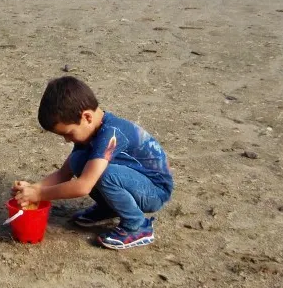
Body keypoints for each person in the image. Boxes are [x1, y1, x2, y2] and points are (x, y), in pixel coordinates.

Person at [13, 76, 173, 249]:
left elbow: (83, 186)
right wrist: (33, 188)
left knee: (104, 175)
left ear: (87, 117)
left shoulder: (111, 134)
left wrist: (40, 195)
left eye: (68, 133)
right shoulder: (89, 133)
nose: (67, 140)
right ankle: (108, 208)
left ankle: (138, 226)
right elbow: (63, 173)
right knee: (78, 160)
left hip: (154, 191)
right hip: (133, 182)